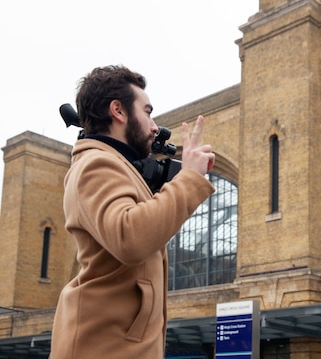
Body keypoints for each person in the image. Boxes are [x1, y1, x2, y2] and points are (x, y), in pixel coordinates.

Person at [49, 65, 216, 359]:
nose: (154, 126)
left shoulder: (117, 166)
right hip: (100, 348)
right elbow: (131, 237)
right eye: (147, 112)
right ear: (118, 111)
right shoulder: (96, 164)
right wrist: (189, 179)